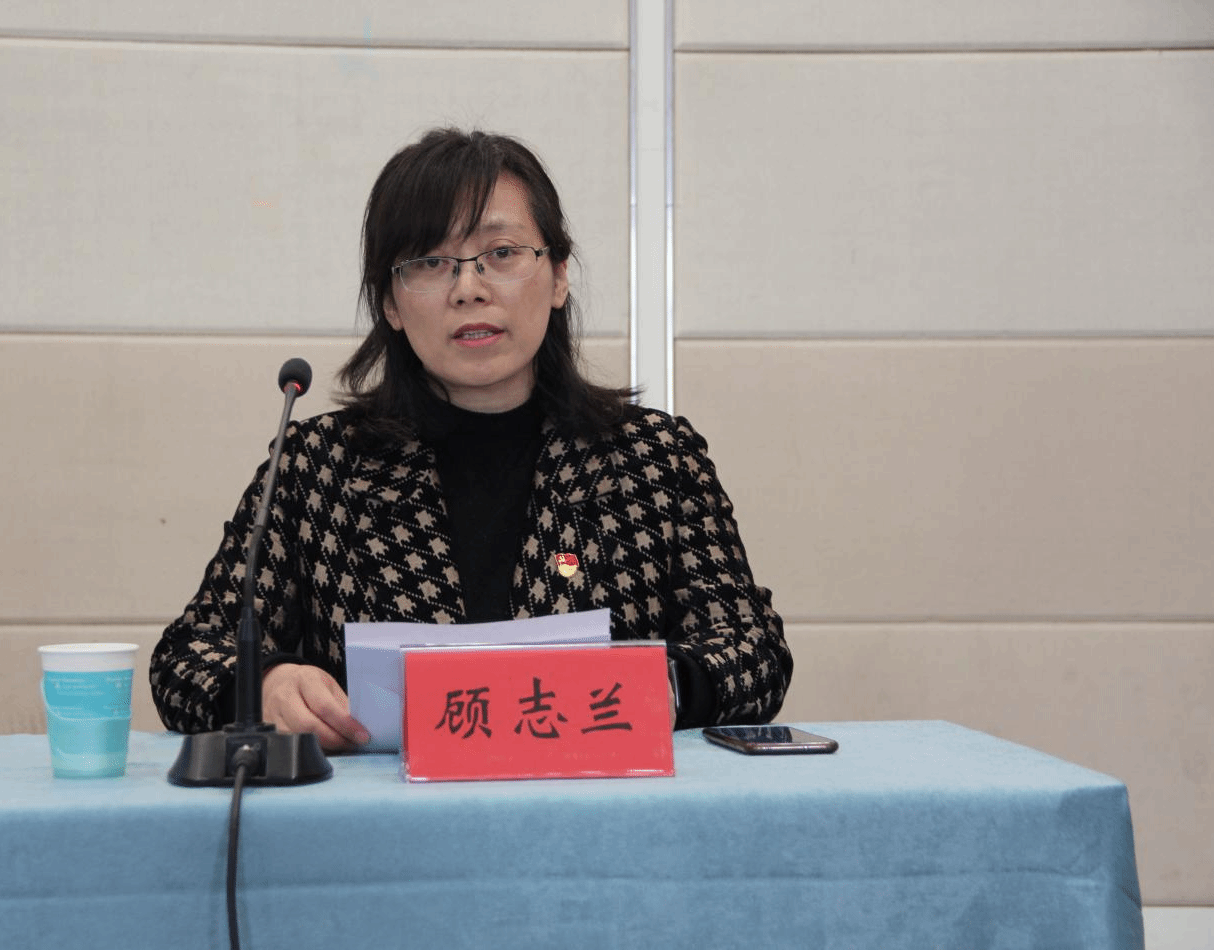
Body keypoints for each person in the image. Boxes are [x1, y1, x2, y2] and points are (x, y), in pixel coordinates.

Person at [150, 128, 792, 750]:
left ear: (559, 276)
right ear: (391, 304)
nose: (468, 289)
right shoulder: (319, 467)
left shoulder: (652, 460)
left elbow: (753, 650)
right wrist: (263, 684)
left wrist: (657, 687)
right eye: (431, 262)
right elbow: (187, 657)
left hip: (594, 812)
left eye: (501, 253)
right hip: (388, 817)